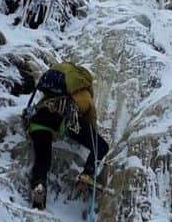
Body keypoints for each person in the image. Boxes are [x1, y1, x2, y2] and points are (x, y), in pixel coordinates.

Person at [23, 62, 109, 210]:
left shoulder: (55, 88)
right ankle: (87, 175)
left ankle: (39, 185)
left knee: (43, 160)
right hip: (64, 120)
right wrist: (91, 134)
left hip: (40, 119)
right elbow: (90, 118)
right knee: (101, 146)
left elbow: (39, 104)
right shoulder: (83, 92)